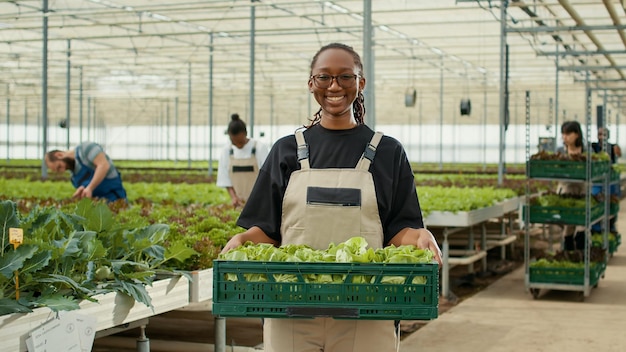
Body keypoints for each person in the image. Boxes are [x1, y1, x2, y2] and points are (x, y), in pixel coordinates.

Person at [221, 43, 442, 352]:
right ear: (312, 83)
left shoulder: (388, 152)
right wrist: (244, 240)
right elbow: (267, 231)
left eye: (346, 77)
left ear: (360, 82)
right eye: (324, 77)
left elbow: (397, 232)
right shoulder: (286, 151)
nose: (334, 86)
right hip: (291, 308)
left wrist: (418, 236)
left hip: (367, 309)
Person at [45, 141, 127, 202]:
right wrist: (82, 190)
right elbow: (88, 192)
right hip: (100, 207)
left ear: (59, 155)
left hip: (115, 196)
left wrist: (90, 188)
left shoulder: (86, 149)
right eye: (58, 171)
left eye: (59, 166)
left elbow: (103, 166)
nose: (62, 170)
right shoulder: (74, 178)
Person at [216, 113, 269, 207]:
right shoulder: (227, 151)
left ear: (245, 134)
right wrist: (234, 197)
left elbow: (267, 177)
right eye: (234, 142)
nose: (238, 145)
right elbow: (225, 178)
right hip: (239, 203)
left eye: (240, 142)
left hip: (260, 201)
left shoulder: (259, 148)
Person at [556, 121, 586, 250]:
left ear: (577, 134)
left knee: (582, 225)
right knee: (568, 226)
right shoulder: (560, 152)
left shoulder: (586, 150)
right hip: (566, 191)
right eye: (563, 134)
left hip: (582, 190)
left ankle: (581, 257)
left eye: (568, 133)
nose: (564, 137)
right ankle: (569, 255)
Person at [591, 127, 621, 233]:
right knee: (597, 202)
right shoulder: (593, 146)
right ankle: (597, 229)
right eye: (599, 134)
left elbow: (619, 155)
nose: (601, 137)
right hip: (597, 181)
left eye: (604, 135)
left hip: (609, 181)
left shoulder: (612, 147)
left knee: (610, 203)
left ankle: (610, 227)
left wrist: (616, 151)